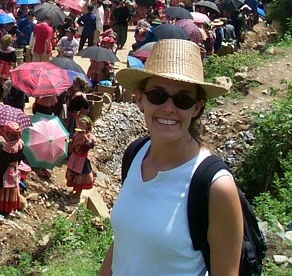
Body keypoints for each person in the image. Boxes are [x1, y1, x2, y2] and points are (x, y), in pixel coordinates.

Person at [100, 39, 242, 275]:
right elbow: (124, 245)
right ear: (139, 99)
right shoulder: (135, 155)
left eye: (183, 99)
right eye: (158, 95)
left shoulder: (215, 186)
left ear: (196, 108)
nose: (168, 107)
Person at [0, 122, 25, 214]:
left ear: (9, 134)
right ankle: (9, 208)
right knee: (12, 189)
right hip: (15, 169)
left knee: (2, 189)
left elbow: (3, 165)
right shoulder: (20, 143)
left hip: (6, 172)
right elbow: (21, 158)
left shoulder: (7, 148)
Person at [65, 115, 95, 198]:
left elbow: (91, 145)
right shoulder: (77, 133)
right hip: (74, 157)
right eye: (80, 125)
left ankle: (78, 195)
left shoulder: (89, 135)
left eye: (83, 125)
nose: (80, 127)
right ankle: (74, 190)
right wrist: (69, 141)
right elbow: (74, 141)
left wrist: (85, 137)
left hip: (82, 159)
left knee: (80, 177)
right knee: (72, 173)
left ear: (87, 126)